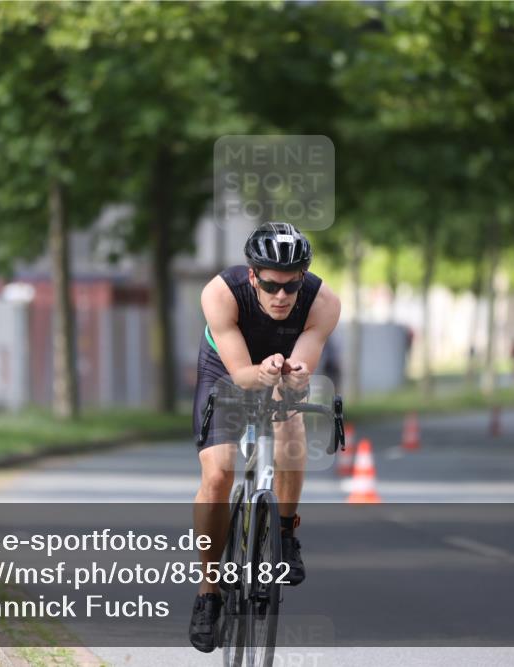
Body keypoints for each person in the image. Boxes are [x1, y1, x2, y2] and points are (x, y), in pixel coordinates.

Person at [188, 222, 341, 653]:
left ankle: (287, 533)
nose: (282, 296)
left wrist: (291, 378)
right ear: (253, 275)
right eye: (271, 285)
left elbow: (302, 370)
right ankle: (208, 591)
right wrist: (262, 370)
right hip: (227, 368)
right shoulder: (220, 293)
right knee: (218, 475)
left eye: (292, 287)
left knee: (290, 426)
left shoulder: (323, 302)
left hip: (282, 370)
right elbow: (240, 374)